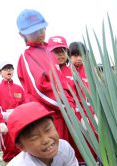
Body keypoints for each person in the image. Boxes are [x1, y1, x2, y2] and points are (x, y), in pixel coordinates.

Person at [16, 9, 75, 141]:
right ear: (22, 34)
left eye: (42, 28)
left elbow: (61, 81)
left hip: (62, 112)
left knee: (64, 152)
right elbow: (39, 89)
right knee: (52, 154)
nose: (40, 33)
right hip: (47, 116)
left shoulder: (49, 52)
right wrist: (66, 105)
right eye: (33, 31)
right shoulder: (27, 55)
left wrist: (70, 102)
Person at [48, 35, 90, 166]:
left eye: (63, 51)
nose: (60, 55)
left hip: (73, 116)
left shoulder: (72, 71)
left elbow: (77, 95)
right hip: (55, 118)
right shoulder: (49, 70)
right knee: (56, 148)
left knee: (76, 145)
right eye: (56, 51)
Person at [0, 62, 27, 162]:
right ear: (0, 73)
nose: (9, 71)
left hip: (18, 121)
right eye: (5, 69)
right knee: (8, 147)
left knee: (20, 144)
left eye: (10, 68)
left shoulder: (19, 88)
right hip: (4, 122)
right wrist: (2, 119)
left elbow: (24, 104)